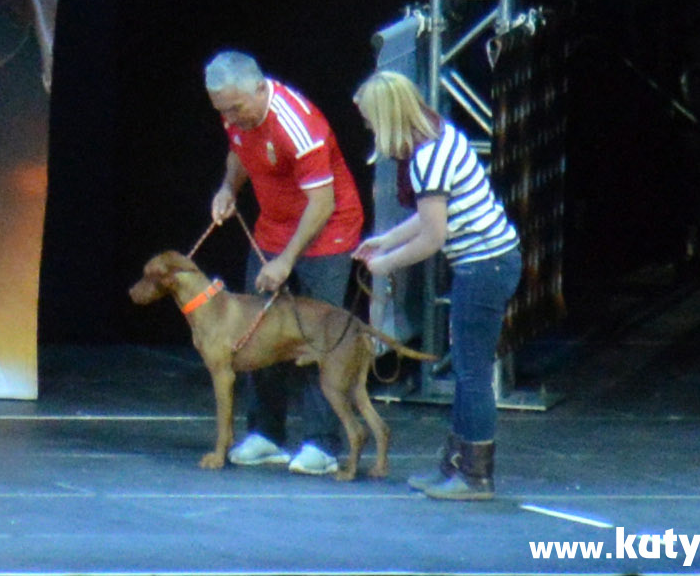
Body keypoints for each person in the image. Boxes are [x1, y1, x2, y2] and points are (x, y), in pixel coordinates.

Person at [351, 70, 522, 500]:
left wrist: (385, 264)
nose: (370, 130)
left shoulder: (427, 158)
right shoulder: (439, 134)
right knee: (467, 370)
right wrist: (386, 240)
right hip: (486, 262)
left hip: (485, 266)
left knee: (472, 373)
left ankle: (475, 475)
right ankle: (456, 465)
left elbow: (433, 236)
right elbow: (431, 218)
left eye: (371, 122)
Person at [204, 50, 365, 475]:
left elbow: (322, 201)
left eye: (236, 108)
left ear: (260, 88)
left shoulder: (298, 124)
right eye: (223, 110)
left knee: (317, 336)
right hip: (274, 226)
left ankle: (323, 444)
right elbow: (238, 151)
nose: (231, 117)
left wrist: (286, 260)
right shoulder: (235, 114)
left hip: (326, 231)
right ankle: (266, 433)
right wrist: (228, 189)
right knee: (258, 331)